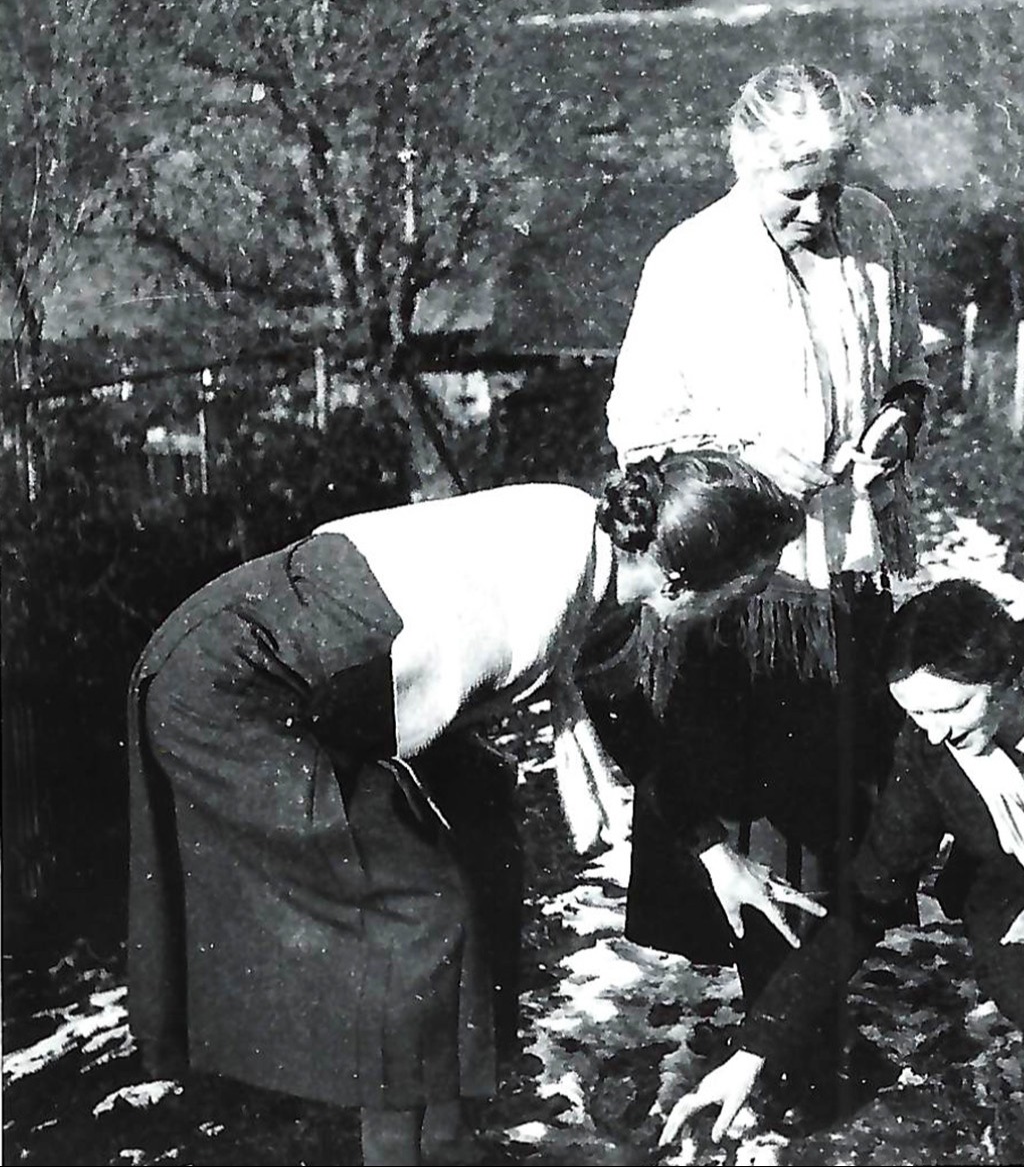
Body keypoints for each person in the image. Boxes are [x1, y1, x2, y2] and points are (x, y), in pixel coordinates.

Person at [126, 450, 804, 1167]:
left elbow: (625, 715)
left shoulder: (601, 551)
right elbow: (357, 715)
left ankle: (443, 1138)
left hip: (335, 673)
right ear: (679, 582)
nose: (753, 597)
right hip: (234, 682)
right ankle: (395, 1154)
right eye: (751, 580)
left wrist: (713, 852)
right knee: (417, 912)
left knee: (481, 851)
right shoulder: (535, 605)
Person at [598, 63, 930, 1085]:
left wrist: (901, 419)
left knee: (838, 807)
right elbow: (636, 431)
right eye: (796, 185)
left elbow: (909, 363)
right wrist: (748, 466)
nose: (820, 206)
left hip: (852, 560)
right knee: (766, 813)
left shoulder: (874, 230)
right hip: (749, 581)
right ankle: (781, 1046)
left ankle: (809, 1021)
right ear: (739, 161)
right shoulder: (689, 262)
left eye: (833, 179)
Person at [659, 580, 1024, 1151]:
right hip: (1018, 873)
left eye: (952, 707)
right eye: (917, 714)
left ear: (1005, 672)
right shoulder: (928, 751)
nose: (935, 731)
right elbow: (866, 900)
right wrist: (754, 1050)